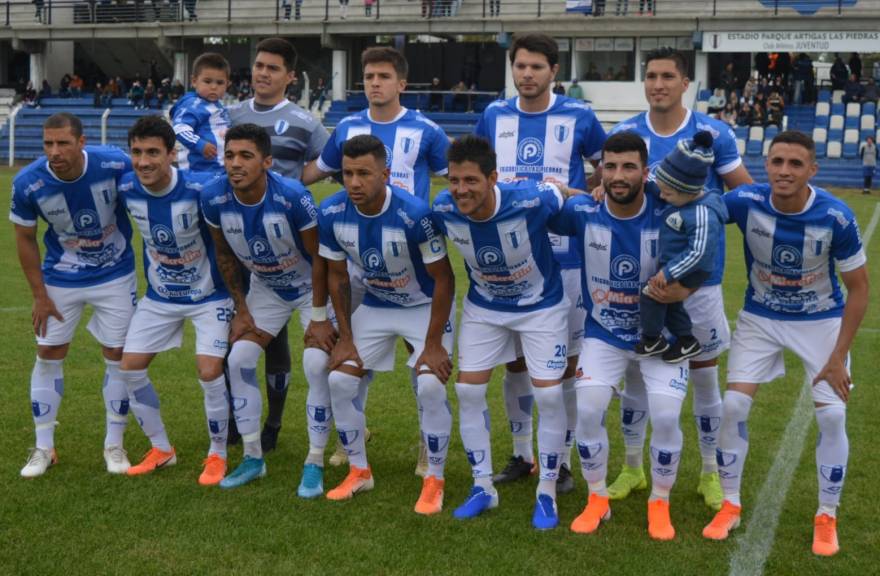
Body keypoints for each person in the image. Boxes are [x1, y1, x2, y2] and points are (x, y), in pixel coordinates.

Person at [703, 131, 869, 557]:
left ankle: (826, 515)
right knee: (734, 406)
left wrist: (836, 358)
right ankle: (731, 503)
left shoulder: (837, 217)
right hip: (761, 318)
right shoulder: (746, 202)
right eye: (777, 162)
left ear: (813, 170)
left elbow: (860, 290)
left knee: (832, 418)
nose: (784, 171)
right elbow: (692, 207)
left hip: (821, 322)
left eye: (795, 164)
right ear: (766, 165)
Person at [607, 47, 752, 511]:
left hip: (699, 286)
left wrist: (697, 255)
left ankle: (710, 472)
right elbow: (611, 195)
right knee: (636, 373)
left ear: (685, 82)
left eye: (668, 76)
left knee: (706, 377)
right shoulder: (625, 134)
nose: (658, 84)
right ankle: (632, 466)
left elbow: (742, 199)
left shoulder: (713, 133)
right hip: (640, 282)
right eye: (650, 76)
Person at [303, 45, 451, 473]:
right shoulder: (348, 126)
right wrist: (276, 182)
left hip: (412, 260)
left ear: (401, 84)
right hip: (356, 259)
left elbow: (453, 173)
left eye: (383, 76)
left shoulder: (425, 129)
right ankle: (354, 433)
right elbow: (318, 171)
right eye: (368, 76)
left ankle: (428, 441)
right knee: (351, 352)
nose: (374, 83)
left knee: (420, 355)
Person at [474, 33, 606, 493]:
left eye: (536, 67)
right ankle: (521, 454)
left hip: (564, 261)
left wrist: (584, 195)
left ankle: (561, 460)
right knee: (514, 365)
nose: (527, 74)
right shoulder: (493, 115)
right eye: (520, 66)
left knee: (562, 367)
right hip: (509, 260)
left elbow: (605, 170)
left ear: (554, 71)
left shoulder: (580, 117)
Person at [549, 131, 690, 540]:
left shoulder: (669, 211)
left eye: (629, 166)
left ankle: (659, 503)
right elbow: (545, 208)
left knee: (665, 416)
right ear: (599, 172)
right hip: (604, 334)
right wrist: (572, 190)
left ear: (647, 173)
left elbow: (709, 216)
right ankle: (597, 500)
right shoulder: (583, 211)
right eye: (610, 166)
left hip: (660, 335)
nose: (618, 175)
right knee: (589, 410)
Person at [433, 135, 575, 529]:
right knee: (468, 390)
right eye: (454, 180)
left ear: (493, 178)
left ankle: (546, 491)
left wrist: (589, 190)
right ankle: (482, 487)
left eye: (471, 181)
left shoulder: (530, 199)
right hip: (485, 308)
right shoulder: (443, 207)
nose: (460, 190)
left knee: (548, 395)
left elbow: (564, 192)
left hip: (541, 307)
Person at [317, 134, 455, 512]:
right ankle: (360, 471)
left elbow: (444, 278)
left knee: (429, 385)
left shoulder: (416, 215)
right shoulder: (331, 212)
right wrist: (345, 337)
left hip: (424, 306)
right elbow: (337, 277)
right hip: (378, 304)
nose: (355, 182)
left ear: (386, 174)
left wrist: (433, 344)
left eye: (364, 173)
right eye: (347, 173)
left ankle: (434, 478)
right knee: (339, 380)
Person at [199, 124, 330, 489]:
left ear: (267, 162)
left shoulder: (292, 196)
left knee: (316, 362)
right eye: (229, 155)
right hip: (267, 289)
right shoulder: (213, 198)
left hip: (310, 289)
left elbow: (320, 259)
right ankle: (253, 457)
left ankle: (315, 460)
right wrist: (241, 309)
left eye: (246, 156)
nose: (235, 164)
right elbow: (225, 255)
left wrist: (319, 316)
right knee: (238, 359)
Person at [11, 113, 135, 478]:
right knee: (48, 352)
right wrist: (39, 295)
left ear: (81, 142)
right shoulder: (28, 183)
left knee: (118, 356)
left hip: (115, 273)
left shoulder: (114, 163)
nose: (55, 151)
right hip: (60, 278)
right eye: (48, 143)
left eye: (63, 143)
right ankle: (44, 448)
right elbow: (24, 238)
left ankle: (114, 444)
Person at [227, 38, 331, 453]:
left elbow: (330, 161)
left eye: (273, 68)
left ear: (290, 77)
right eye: (258, 66)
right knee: (236, 330)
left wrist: (293, 187)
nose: (262, 73)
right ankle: (238, 420)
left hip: (289, 241)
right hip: (241, 240)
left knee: (279, 339)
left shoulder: (304, 121)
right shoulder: (232, 114)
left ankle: (272, 423)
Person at [115, 116, 231, 485]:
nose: (144, 161)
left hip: (209, 296)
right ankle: (161, 449)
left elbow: (228, 244)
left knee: (210, 371)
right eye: (136, 152)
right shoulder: (126, 189)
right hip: (160, 297)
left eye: (153, 153)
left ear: (172, 154)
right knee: (130, 367)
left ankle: (218, 454)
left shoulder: (201, 190)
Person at [635, 131, 728, 363]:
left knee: (652, 293)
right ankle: (687, 341)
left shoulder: (702, 213)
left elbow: (699, 252)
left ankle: (651, 338)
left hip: (693, 268)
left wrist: (668, 272)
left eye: (668, 193)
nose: (663, 197)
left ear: (688, 190)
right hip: (678, 262)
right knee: (672, 303)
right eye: (662, 190)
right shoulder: (680, 194)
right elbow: (654, 187)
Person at [170, 52, 231, 174]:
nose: (214, 87)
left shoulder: (218, 106)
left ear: (227, 85)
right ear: (194, 81)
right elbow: (179, 128)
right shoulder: (193, 104)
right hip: (198, 172)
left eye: (220, 83)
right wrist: (199, 144)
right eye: (207, 81)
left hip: (220, 170)